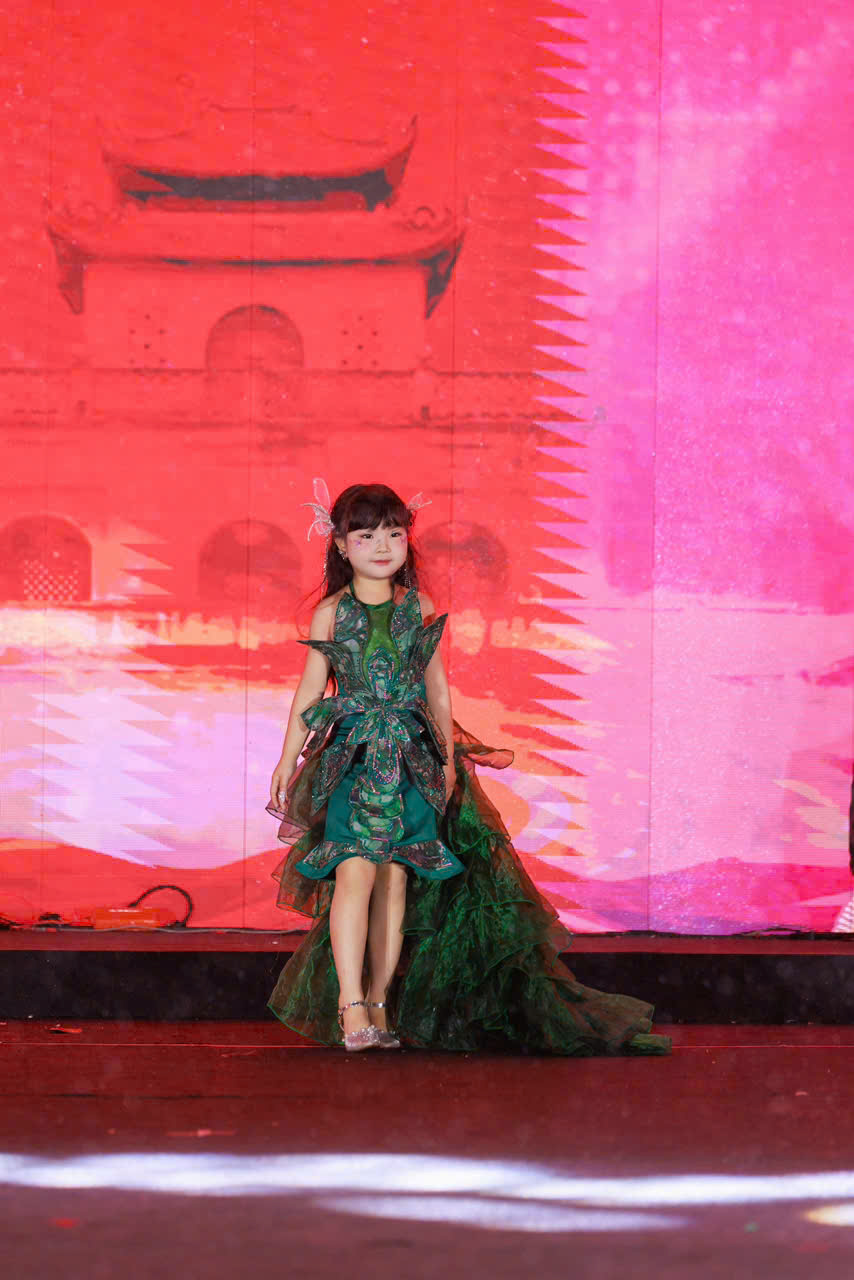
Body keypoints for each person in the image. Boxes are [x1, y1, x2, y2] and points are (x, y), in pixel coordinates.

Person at [266, 480, 672, 1056]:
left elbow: (436, 689)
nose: (381, 546)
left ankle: (380, 1002)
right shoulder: (332, 612)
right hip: (353, 759)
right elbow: (310, 691)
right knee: (355, 873)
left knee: (396, 879)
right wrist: (287, 759)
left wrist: (446, 757)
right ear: (339, 544)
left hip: (412, 758)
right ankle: (350, 1004)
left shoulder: (419, 607)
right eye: (366, 536)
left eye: (393, 534)